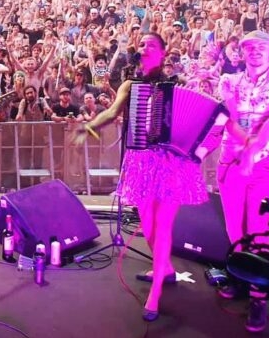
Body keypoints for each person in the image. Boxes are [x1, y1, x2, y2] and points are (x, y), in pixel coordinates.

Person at [73, 33, 208, 322]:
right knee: (147, 225)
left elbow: (193, 121)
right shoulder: (130, 85)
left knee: (162, 225)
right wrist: (89, 127)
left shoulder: (175, 86)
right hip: (139, 162)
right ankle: (165, 268)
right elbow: (111, 112)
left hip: (168, 164)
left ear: (163, 52)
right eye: (143, 44)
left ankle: (156, 290)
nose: (145, 48)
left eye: (152, 45)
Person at [216, 30, 269, 332]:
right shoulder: (229, 80)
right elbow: (230, 119)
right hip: (232, 162)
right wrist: (246, 150)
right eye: (249, 47)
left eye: (262, 47)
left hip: (264, 165)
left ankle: (259, 296)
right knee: (234, 228)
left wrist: (252, 153)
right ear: (242, 53)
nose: (255, 51)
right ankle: (239, 277)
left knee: (259, 230)